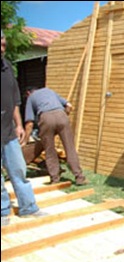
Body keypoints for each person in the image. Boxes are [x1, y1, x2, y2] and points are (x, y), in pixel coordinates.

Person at [1, 30, 47, 226]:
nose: (2, 47)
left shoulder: (7, 67)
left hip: (8, 131)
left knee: (18, 170)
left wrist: (19, 124)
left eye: (3, 43)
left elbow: (15, 100)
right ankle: (3, 212)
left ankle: (28, 207)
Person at [23, 87, 87, 185]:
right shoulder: (49, 91)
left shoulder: (31, 98)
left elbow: (29, 123)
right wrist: (62, 117)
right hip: (62, 115)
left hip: (46, 118)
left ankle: (55, 179)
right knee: (70, 148)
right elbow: (69, 106)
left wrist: (25, 141)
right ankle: (79, 177)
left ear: (28, 93)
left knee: (50, 150)